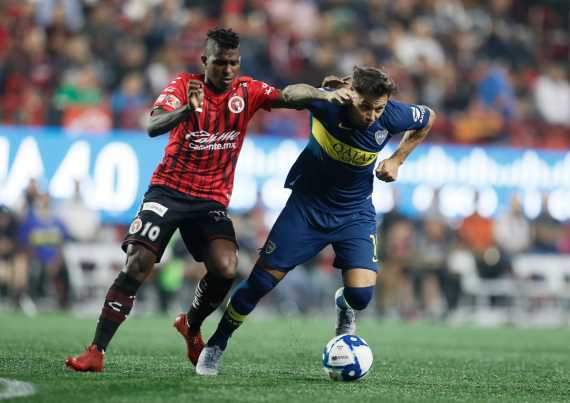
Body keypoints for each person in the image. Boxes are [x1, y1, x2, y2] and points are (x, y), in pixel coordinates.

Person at [65, 27, 350, 372]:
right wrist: (187, 110)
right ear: (204, 61)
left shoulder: (247, 90)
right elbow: (153, 125)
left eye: (233, 63)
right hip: (168, 191)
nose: (227, 69)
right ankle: (96, 351)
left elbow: (289, 96)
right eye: (219, 63)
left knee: (226, 268)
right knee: (138, 262)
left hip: (210, 201)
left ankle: (191, 325)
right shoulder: (183, 86)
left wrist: (322, 93)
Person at [195, 66, 436, 375]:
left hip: (355, 213)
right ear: (351, 93)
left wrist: (397, 159)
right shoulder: (329, 104)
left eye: (378, 108)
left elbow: (428, 117)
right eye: (365, 106)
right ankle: (216, 344)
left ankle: (344, 306)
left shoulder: (392, 115)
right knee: (259, 284)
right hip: (306, 209)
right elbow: (290, 94)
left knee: (361, 296)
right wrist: (321, 93)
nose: (372, 115)